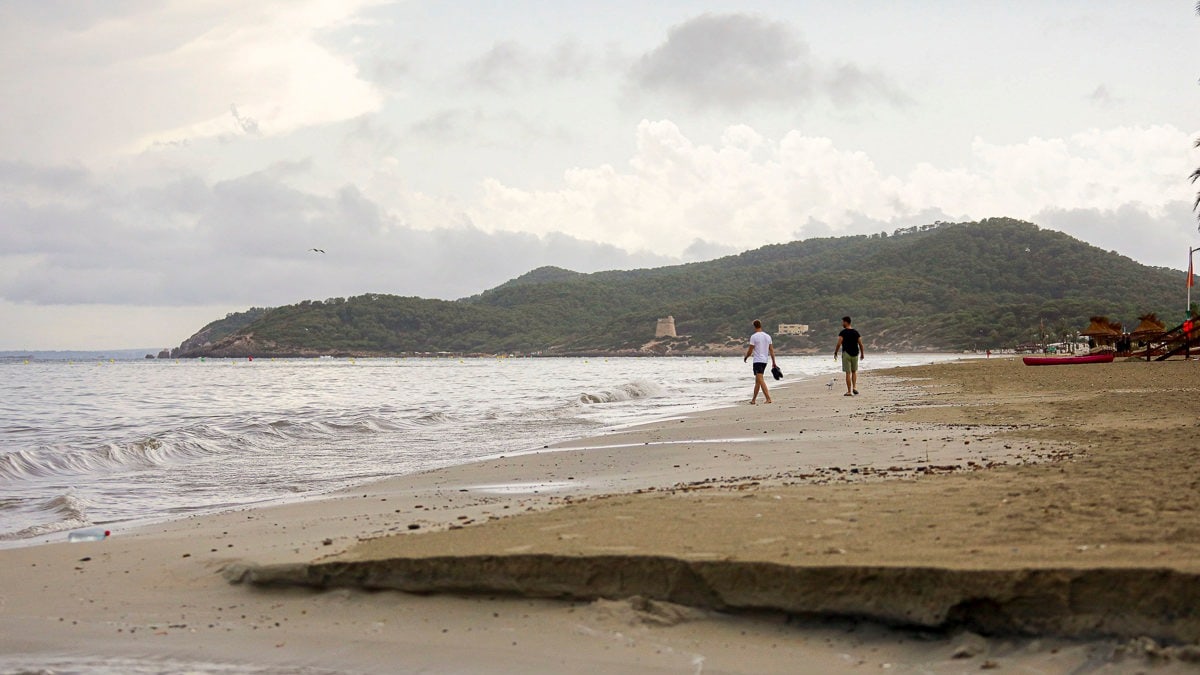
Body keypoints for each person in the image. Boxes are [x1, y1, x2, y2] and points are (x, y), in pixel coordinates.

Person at [743, 319, 777, 404]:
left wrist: (746, 357)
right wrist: (773, 362)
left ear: (754, 326)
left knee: (760, 379)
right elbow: (771, 351)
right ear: (760, 325)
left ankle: (768, 398)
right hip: (765, 361)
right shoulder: (768, 336)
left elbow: (750, 350)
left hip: (757, 361)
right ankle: (753, 400)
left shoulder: (754, 337)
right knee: (757, 381)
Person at [833, 316, 864, 396]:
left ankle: (849, 391)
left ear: (846, 322)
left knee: (848, 373)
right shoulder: (856, 332)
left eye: (843, 322)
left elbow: (839, 343)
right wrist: (862, 354)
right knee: (854, 372)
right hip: (855, 354)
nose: (842, 323)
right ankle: (854, 387)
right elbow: (860, 344)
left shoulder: (843, 332)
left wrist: (835, 352)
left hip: (846, 354)